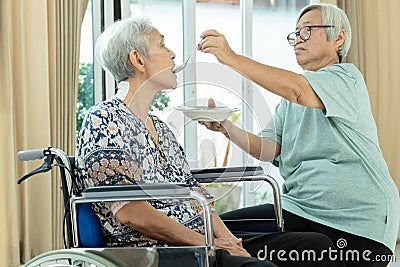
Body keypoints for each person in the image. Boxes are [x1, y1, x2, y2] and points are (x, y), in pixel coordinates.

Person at [75, 17, 345, 267]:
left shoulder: (160, 128)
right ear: (138, 59)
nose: (172, 54)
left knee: (317, 246)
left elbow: (197, 196)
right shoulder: (105, 121)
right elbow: (131, 213)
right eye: (162, 45)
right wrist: (210, 243)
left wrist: (233, 243)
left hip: (200, 239)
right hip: (161, 249)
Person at [198, 3, 400, 267]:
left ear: (338, 37)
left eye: (307, 31)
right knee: (207, 230)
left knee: (218, 240)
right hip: (302, 210)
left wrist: (230, 57)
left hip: (357, 224)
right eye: (295, 34)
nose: (297, 40)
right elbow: (269, 148)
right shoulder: (291, 101)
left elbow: (297, 88)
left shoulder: (345, 78)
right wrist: (226, 127)